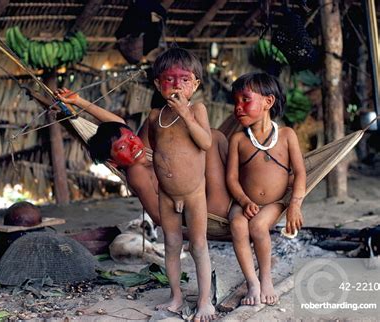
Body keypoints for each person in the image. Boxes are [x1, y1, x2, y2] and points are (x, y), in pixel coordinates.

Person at [55, 83, 232, 241]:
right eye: (122, 148)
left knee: (210, 136)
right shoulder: (136, 172)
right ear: (113, 162)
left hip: (213, 192)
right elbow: (157, 216)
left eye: (131, 137)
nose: (132, 145)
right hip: (212, 209)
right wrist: (183, 209)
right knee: (213, 138)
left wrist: (79, 101)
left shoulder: (143, 150)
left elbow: (119, 124)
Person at [145, 47, 215, 320]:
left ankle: (205, 301)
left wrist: (186, 114)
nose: (177, 86)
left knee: (198, 246)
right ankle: (175, 296)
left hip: (195, 193)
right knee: (171, 244)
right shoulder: (155, 116)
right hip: (166, 194)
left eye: (185, 80)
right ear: (157, 84)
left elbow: (206, 142)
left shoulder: (197, 109)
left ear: (195, 85)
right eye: (170, 79)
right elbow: (156, 146)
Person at [226, 72, 306, 306]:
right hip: (244, 202)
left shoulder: (286, 135)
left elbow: (300, 173)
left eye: (245, 99)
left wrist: (295, 205)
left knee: (259, 226)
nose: (238, 107)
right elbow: (231, 178)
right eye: (236, 101)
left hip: (275, 203)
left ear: (268, 102)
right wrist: (243, 201)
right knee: (238, 224)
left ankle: (266, 279)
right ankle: (252, 283)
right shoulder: (238, 140)